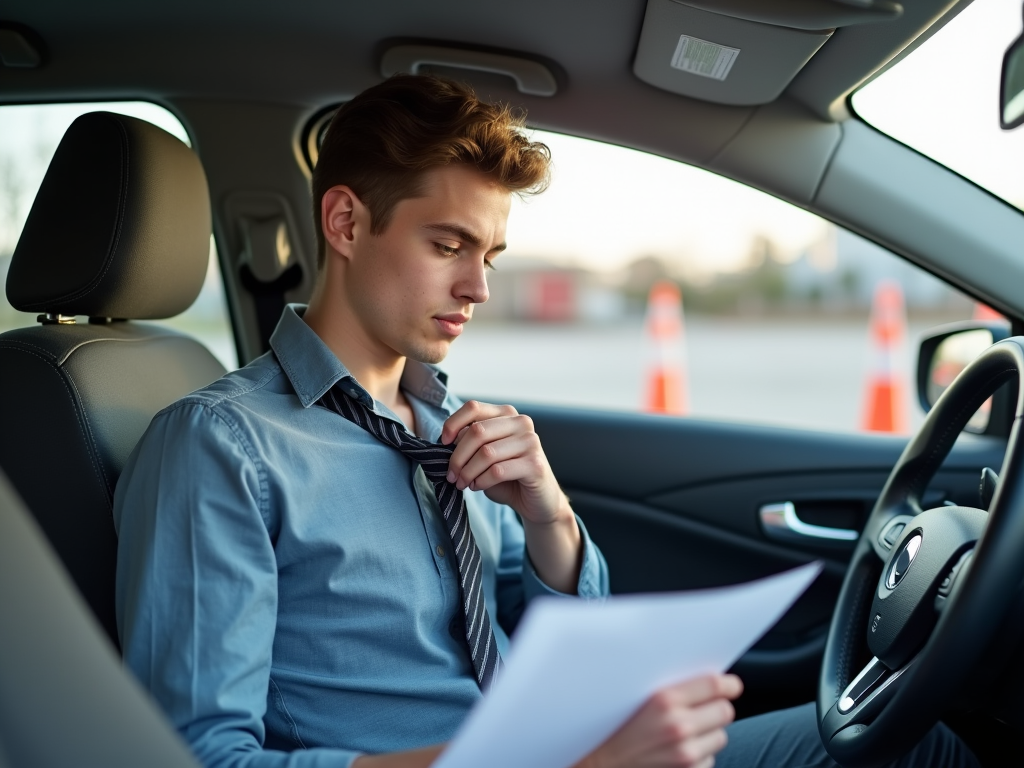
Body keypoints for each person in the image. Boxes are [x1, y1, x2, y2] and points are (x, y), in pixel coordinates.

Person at [113, 74, 977, 768]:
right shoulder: (222, 446)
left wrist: (550, 515)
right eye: (448, 245)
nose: (479, 288)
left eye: (488, 256)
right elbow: (193, 755)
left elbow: (558, 638)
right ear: (345, 221)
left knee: (914, 742)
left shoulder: (445, 418)